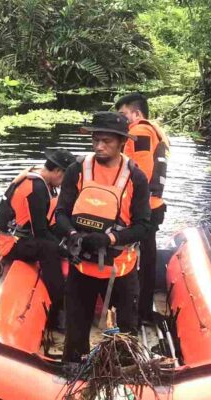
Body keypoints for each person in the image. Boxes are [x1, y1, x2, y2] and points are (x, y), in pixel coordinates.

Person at [55, 112, 151, 363]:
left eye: (106, 141)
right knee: (76, 331)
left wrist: (109, 240)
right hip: (82, 268)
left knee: (125, 331)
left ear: (122, 142)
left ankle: (124, 369)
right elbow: (62, 213)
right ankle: (73, 369)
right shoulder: (77, 170)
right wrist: (73, 234)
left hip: (119, 271)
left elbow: (143, 226)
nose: (99, 146)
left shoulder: (136, 178)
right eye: (95, 140)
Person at [0, 149, 77, 328]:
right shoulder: (36, 188)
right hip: (13, 243)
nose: (64, 184)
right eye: (65, 178)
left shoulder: (39, 176)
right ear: (59, 172)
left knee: (60, 233)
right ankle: (59, 310)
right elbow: (40, 232)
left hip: (25, 234)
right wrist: (65, 250)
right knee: (48, 249)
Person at [116, 93, 169, 324]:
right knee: (147, 256)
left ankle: (141, 310)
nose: (121, 120)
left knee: (142, 257)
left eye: (123, 115)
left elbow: (141, 172)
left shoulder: (139, 131)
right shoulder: (154, 130)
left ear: (136, 114)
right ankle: (143, 308)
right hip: (152, 205)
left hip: (142, 208)